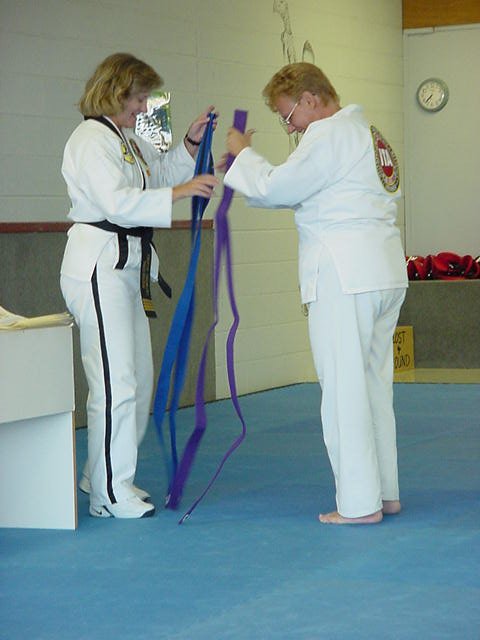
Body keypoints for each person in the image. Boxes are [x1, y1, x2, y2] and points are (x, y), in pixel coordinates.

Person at [223, 62, 408, 525]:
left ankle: (360, 504)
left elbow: (276, 187)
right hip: (384, 271)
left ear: (310, 99)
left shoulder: (328, 134)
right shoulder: (369, 133)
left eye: (288, 116)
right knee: (373, 388)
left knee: (344, 391)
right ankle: (384, 492)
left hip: (344, 274)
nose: (290, 127)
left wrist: (242, 154)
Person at [60, 53, 218, 519]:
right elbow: (117, 202)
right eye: (139, 98)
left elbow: (160, 174)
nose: (145, 107)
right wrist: (179, 195)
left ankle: (99, 473)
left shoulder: (126, 139)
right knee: (115, 382)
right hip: (98, 265)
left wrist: (190, 145)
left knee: (139, 381)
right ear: (116, 92)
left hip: (129, 267)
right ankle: (108, 493)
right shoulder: (90, 140)